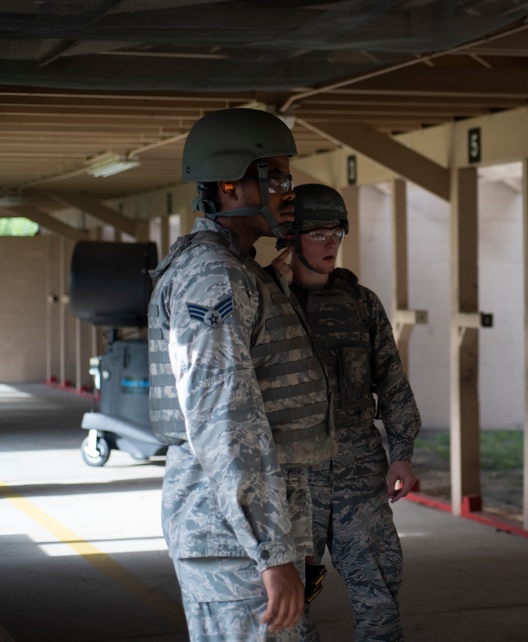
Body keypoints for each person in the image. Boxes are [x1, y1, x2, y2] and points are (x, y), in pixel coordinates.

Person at [148, 108, 335, 641]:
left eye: (286, 178)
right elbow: (223, 419)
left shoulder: (239, 269)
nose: (287, 192)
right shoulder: (215, 276)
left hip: (243, 535)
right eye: (274, 177)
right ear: (230, 186)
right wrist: (271, 552)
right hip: (233, 539)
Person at [286, 183, 421, 642]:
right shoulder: (268, 303)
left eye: (336, 232)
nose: (330, 243)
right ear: (290, 235)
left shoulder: (361, 304)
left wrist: (401, 451)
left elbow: (393, 381)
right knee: (289, 603)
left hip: (358, 471)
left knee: (378, 597)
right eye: (317, 233)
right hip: (292, 477)